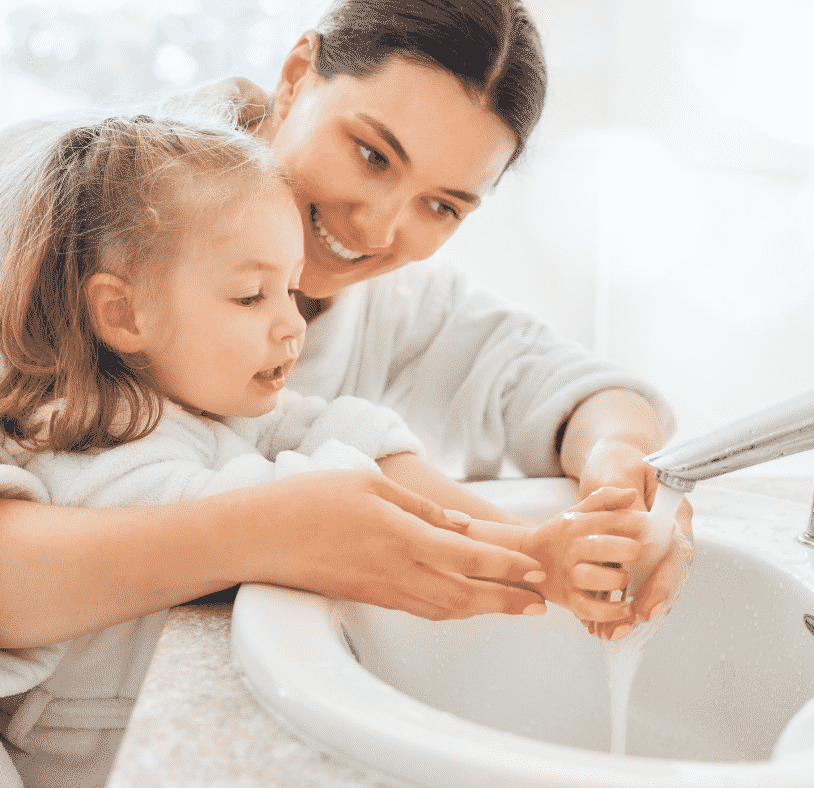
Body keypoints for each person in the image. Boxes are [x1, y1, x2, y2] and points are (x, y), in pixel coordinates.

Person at [0, 0, 692, 781]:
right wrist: (258, 531)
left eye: (441, 206)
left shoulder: (393, 310)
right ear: (297, 75)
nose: (378, 228)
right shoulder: (55, 212)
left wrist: (612, 482)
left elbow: (559, 388)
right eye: (371, 154)